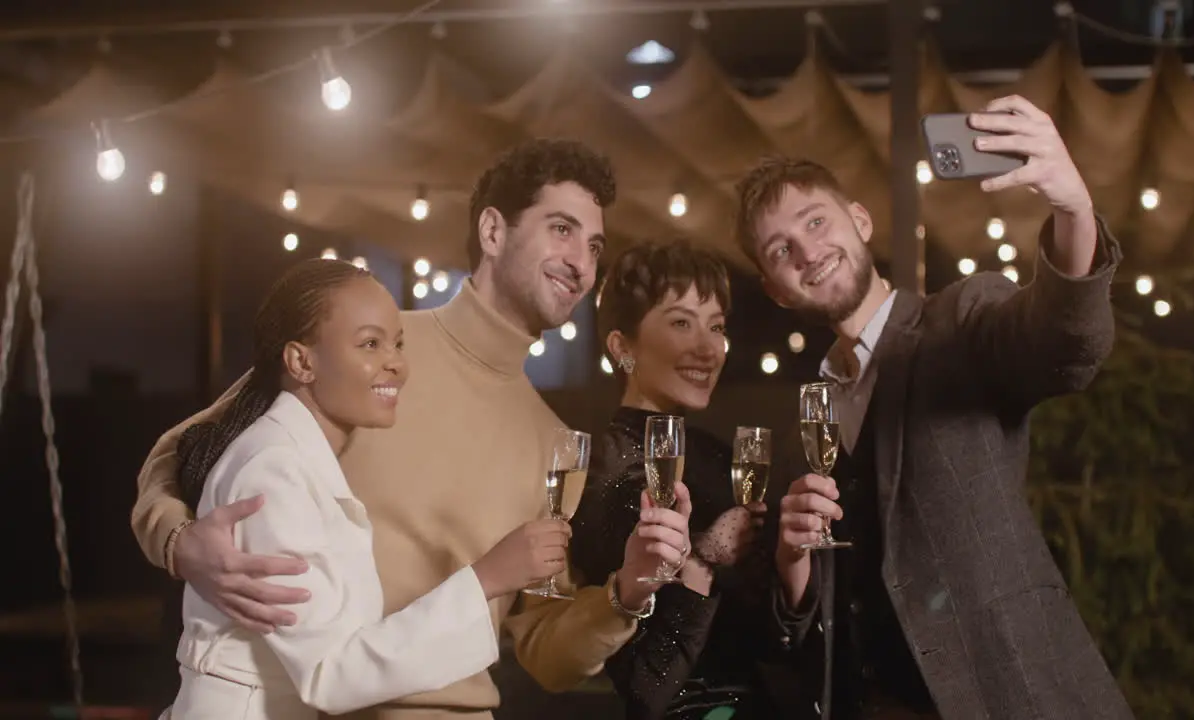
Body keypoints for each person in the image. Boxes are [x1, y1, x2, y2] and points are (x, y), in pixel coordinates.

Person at [132, 139, 692, 720]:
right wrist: (178, 543)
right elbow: (179, 456)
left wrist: (627, 593)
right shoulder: (367, 349)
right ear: (493, 232)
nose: (581, 262)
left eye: (594, 245)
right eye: (561, 229)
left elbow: (546, 657)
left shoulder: (555, 443)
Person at [734, 97, 1136, 719]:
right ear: (774, 289)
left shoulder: (961, 320)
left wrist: (1072, 208)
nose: (807, 253)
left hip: (1010, 695)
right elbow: (800, 623)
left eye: (816, 223)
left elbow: (1064, 343)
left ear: (860, 220)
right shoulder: (803, 431)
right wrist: (792, 563)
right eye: (781, 250)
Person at [162, 258, 563, 719]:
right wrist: (487, 578)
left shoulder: (297, 459)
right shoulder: (272, 472)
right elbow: (328, 673)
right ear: (301, 361)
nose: (396, 364)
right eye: (370, 344)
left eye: (397, 344)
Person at [572, 239, 804, 719]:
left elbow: (775, 641)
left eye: (716, 326)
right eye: (681, 322)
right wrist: (704, 559)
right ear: (623, 348)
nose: (707, 348)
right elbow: (647, 686)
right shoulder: (609, 476)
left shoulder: (715, 454)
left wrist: (792, 556)